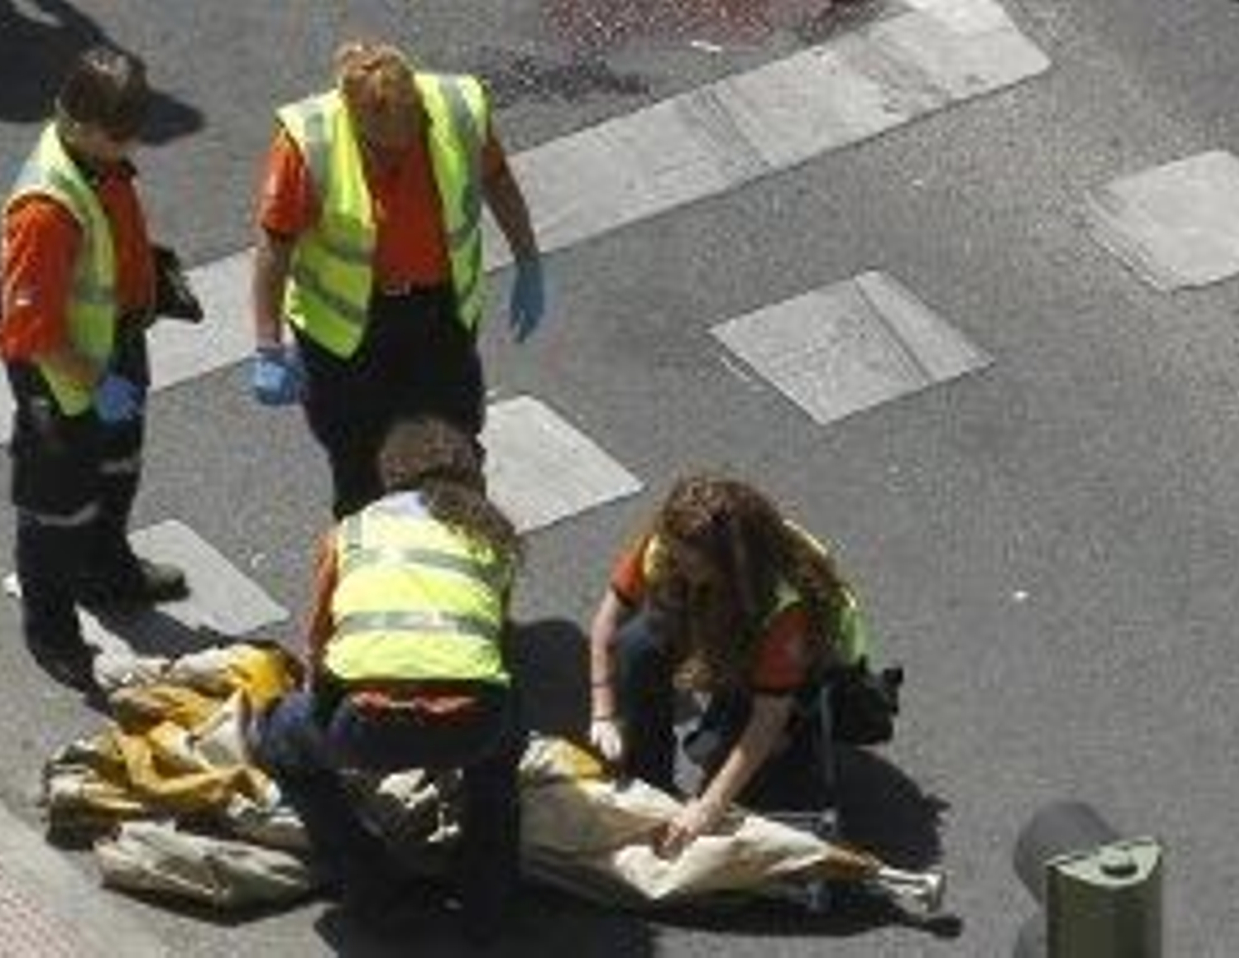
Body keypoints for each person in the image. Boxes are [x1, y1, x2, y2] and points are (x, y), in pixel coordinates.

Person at [248, 39, 547, 519]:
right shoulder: (309, 143)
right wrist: (267, 344)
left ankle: (458, 554)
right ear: (353, 120)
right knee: (359, 470)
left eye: (411, 139)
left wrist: (528, 260)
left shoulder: (456, 109)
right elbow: (274, 246)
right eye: (383, 151)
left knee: (452, 455)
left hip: (437, 316)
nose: (399, 157)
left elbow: (497, 180)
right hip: (346, 337)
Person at [255, 416, 525, 939]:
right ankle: (487, 899)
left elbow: (320, 643)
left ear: (389, 476)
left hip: (365, 725)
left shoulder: (353, 532)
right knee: (501, 755)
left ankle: (369, 881)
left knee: (280, 740)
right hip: (474, 722)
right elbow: (493, 640)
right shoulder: (494, 536)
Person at [0, 45, 188, 692]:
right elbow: (32, 329)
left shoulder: (96, 162)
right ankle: (52, 631)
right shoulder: (45, 210)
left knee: (118, 467)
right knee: (56, 509)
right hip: (65, 375)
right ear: (76, 120)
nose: (129, 147)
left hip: (112, 349)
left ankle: (108, 569)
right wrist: (96, 381)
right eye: (118, 135)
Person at [585, 475, 871, 859]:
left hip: (803, 666)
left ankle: (796, 740)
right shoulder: (667, 544)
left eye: (692, 564)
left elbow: (766, 719)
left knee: (747, 785)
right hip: (723, 621)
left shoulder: (785, 605)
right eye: (675, 555)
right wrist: (603, 712)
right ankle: (650, 782)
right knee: (638, 646)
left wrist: (708, 806)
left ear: (732, 564)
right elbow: (609, 622)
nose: (678, 567)